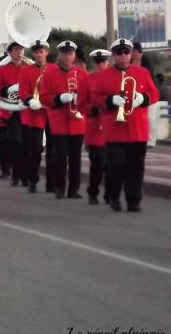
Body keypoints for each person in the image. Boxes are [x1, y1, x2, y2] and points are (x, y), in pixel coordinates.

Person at [93, 38, 159, 212]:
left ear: (131, 54)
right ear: (114, 56)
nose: (123, 56)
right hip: (115, 130)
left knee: (136, 168)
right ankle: (114, 197)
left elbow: (154, 93)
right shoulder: (103, 75)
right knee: (115, 166)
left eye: (126, 52)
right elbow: (94, 97)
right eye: (119, 53)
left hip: (137, 129)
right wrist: (110, 99)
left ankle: (133, 201)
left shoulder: (142, 72)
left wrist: (142, 98)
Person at [40, 40, 87, 199]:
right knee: (60, 156)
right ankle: (59, 187)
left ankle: (74, 189)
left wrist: (78, 98)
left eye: (71, 53)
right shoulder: (50, 74)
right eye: (65, 53)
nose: (68, 56)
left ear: (74, 55)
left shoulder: (81, 73)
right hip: (59, 122)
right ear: (59, 55)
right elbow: (44, 98)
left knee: (76, 158)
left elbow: (88, 95)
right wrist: (60, 98)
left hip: (77, 122)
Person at [18, 39, 56, 193]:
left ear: (46, 52)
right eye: (36, 52)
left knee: (53, 150)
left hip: (52, 112)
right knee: (35, 149)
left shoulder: (54, 69)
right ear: (33, 54)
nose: (39, 54)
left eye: (42, 51)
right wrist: (29, 100)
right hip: (35, 113)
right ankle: (33, 180)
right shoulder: (27, 71)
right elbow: (22, 92)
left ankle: (51, 182)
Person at [0, 41, 29, 187]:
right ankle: (15, 174)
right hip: (10, 111)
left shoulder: (29, 68)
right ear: (10, 52)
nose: (19, 52)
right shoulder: (2, 69)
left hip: (26, 110)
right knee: (16, 143)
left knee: (26, 145)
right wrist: (7, 89)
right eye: (15, 49)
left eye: (21, 49)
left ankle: (24, 175)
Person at [77, 49, 111, 204]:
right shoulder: (86, 81)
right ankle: (93, 191)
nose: (101, 65)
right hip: (95, 129)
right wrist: (95, 109)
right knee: (98, 164)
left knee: (113, 164)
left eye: (104, 61)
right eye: (98, 62)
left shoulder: (115, 78)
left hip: (113, 127)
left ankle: (111, 194)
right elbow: (81, 105)